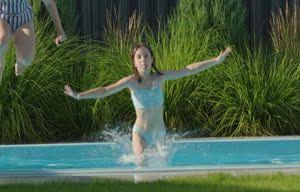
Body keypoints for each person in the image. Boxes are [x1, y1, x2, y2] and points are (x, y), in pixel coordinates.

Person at [64, 44, 232, 166]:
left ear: (152, 59)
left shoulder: (160, 77)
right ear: (135, 63)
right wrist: (78, 96)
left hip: (160, 133)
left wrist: (216, 61)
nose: (143, 59)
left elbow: (187, 69)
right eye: (139, 56)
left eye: (146, 56)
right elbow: (105, 90)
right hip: (141, 134)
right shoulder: (131, 82)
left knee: (163, 169)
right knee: (142, 164)